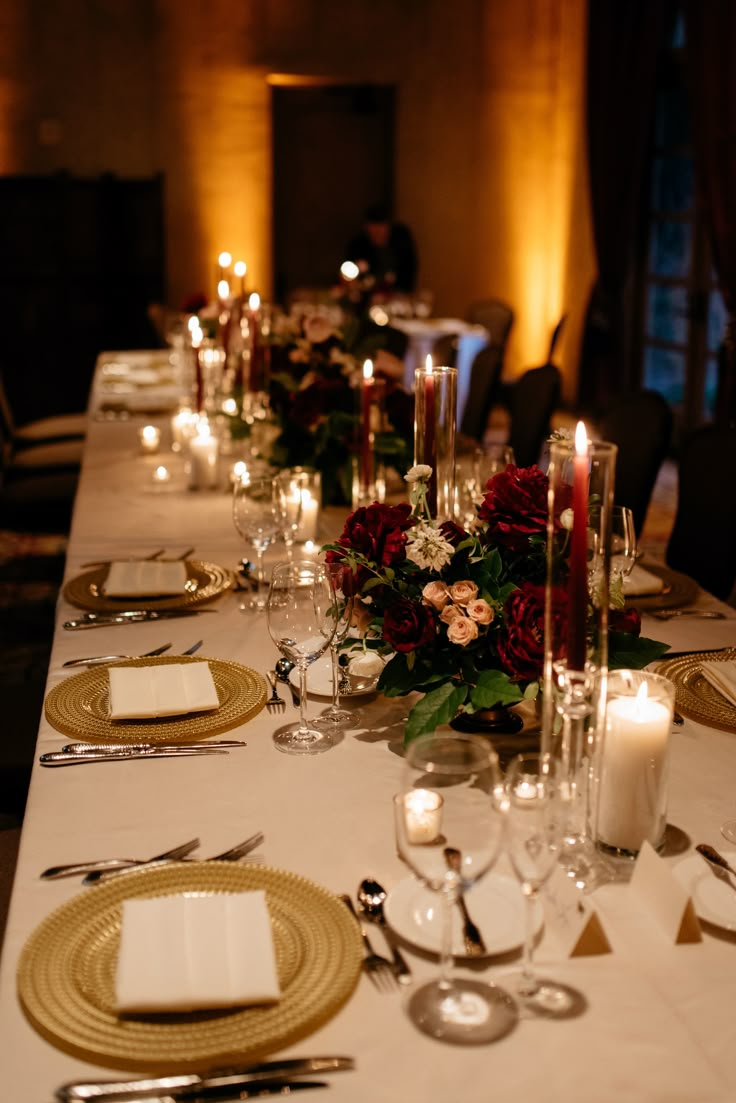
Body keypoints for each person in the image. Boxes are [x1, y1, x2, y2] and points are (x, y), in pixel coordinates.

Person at [345, 202, 418, 293]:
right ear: (366, 228)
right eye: (374, 228)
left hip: (398, 294)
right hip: (368, 296)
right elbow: (351, 274)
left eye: (381, 227)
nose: (378, 232)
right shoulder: (358, 246)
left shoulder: (401, 240)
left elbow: (409, 268)